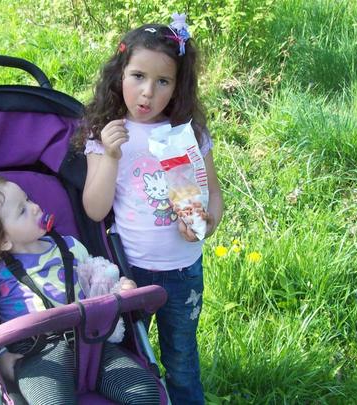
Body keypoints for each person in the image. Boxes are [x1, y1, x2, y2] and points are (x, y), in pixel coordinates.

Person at [77, 13, 224, 405]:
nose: (147, 92)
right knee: (128, 357)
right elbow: (95, 209)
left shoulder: (187, 133)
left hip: (183, 269)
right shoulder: (107, 133)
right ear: (119, 74)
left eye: (163, 82)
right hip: (130, 270)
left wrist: (206, 223)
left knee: (182, 361)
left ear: (178, 87)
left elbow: (213, 194)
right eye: (138, 76)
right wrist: (110, 155)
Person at [0, 168, 160, 405]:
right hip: (38, 356)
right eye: (22, 210)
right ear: (2, 241)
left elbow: (96, 279)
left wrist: (119, 289)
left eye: (28, 199)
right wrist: (1, 356)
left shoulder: (70, 246)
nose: (34, 207)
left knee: (146, 393)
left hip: (91, 344)